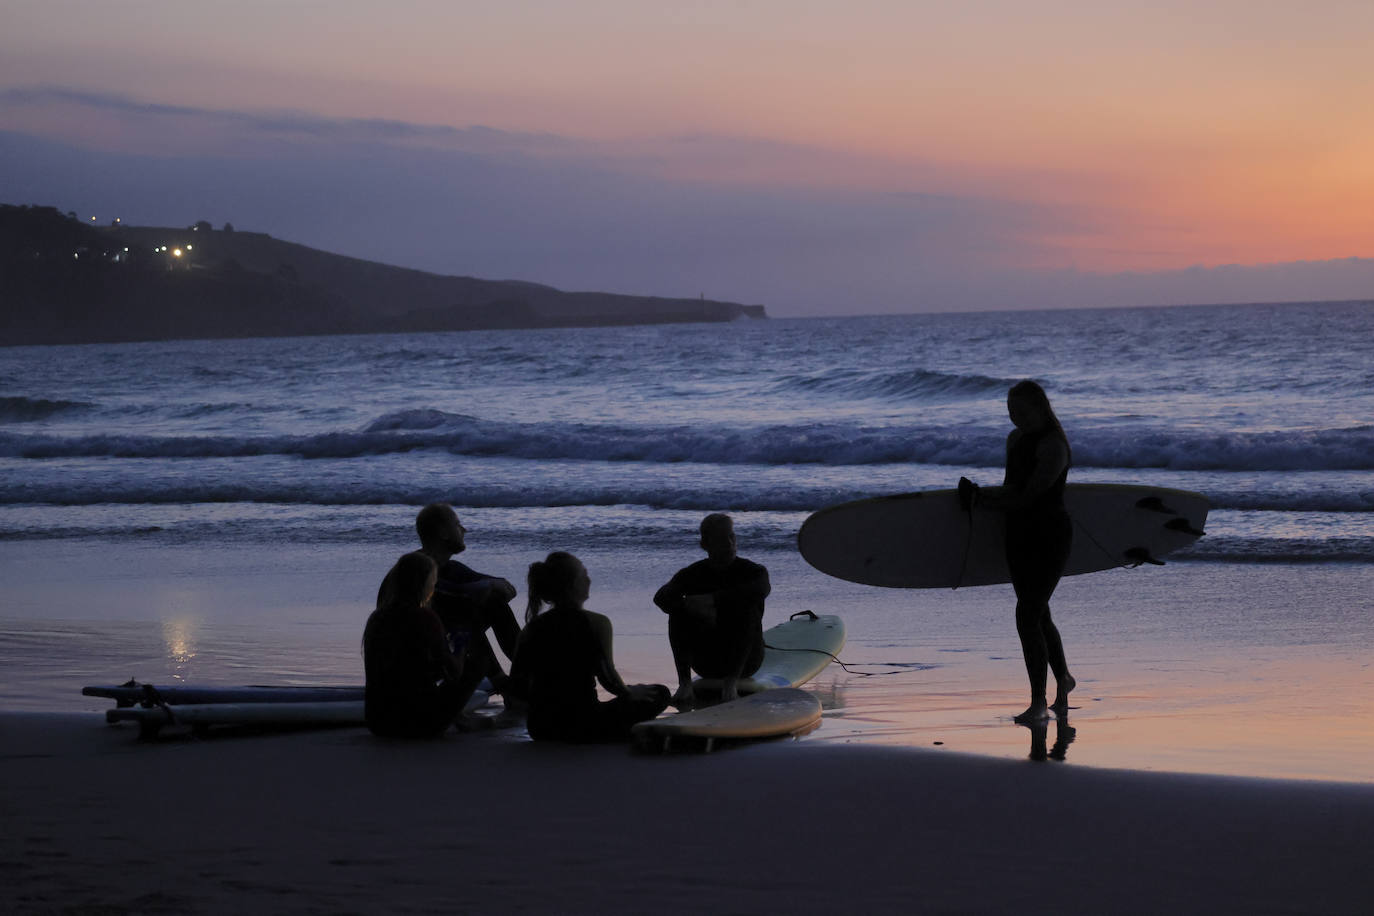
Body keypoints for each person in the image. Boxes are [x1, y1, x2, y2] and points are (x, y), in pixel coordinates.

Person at [969, 380, 1077, 723]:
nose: (1014, 417)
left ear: (1040, 408)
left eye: (1021, 411)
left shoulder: (1054, 445)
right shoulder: (1015, 440)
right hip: (1017, 534)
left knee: (1027, 615)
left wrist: (986, 502)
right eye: (1010, 411)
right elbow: (1011, 487)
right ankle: (1064, 680)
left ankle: (1038, 702)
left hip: (1050, 535)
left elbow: (1031, 494)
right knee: (1039, 614)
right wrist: (983, 499)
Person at [508, 552, 669, 743]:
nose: (589, 579)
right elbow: (609, 679)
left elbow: (517, 684)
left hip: (540, 728)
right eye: (584, 574)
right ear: (573, 584)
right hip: (585, 723)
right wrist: (630, 692)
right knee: (659, 693)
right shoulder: (596, 622)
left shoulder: (531, 627)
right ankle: (621, 732)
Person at [406, 503, 523, 704]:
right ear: (443, 533)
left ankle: (526, 671)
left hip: (447, 646)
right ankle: (500, 679)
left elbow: (506, 589)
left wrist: (487, 588)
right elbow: (446, 596)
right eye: (457, 525)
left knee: (491, 603)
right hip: (416, 658)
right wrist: (482, 588)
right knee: (462, 609)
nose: (464, 530)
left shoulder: (451, 568)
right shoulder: (415, 568)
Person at [653, 513, 770, 709]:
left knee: (746, 606)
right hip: (706, 661)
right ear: (705, 544)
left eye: (731, 536)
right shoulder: (692, 573)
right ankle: (684, 684)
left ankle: (731, 684)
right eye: (721, 538)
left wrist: (713, 601)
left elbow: (761, 589)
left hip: (746, 662)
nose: (729, 542)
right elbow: (661, 598)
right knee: (678, 612)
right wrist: (689, 605)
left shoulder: (753, 571)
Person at [362, 551, 485, 738]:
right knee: (478, 664)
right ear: (426, 583)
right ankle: (461, 717)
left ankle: (457, 716)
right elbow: (454, 672)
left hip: (378, 722)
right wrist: (460, 645)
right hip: (420, 723)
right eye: (433, 581)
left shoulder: (376, 618)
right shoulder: (425, 617)